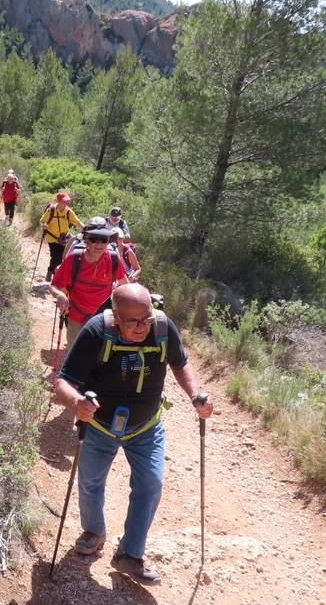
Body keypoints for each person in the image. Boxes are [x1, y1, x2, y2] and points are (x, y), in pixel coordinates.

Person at [54, 283, 214, 584]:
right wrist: (76, 403)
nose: (143, 327)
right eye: (133, 321)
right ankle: (94, 531)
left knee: (151, 484)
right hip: (99, 425)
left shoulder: (162, 327)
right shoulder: (96, 332)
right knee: (90, 482)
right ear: (116, 317)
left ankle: (130, 554)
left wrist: (195, 395)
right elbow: (64, 382)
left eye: (147, 319)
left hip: (146, 425)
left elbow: (180, 364)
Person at [50, 218, 128, 345]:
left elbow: (126, 286)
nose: (99, 244)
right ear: (86, 240)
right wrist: (60, 295)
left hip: (103, 319)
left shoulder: (113, 260)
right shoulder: (74, 259)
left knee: (98, 357)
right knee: (75, 354)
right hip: (76, 316)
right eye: (93, 239)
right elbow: (54, 286)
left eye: (103, 240)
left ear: (108, 241)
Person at [39, 192, 83, 282]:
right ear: (58, 201)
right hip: (52, 238)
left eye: (67, 200)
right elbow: (42, 221)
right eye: (64, 201)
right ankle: (55, 277)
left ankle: (51, 271)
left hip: (63, 238)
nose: (66, 202)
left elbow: (77, 222)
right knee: (56, 257)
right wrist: (44, 225)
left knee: (60, 257)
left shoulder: (68, 211)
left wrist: (86, 229)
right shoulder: (51, 210)